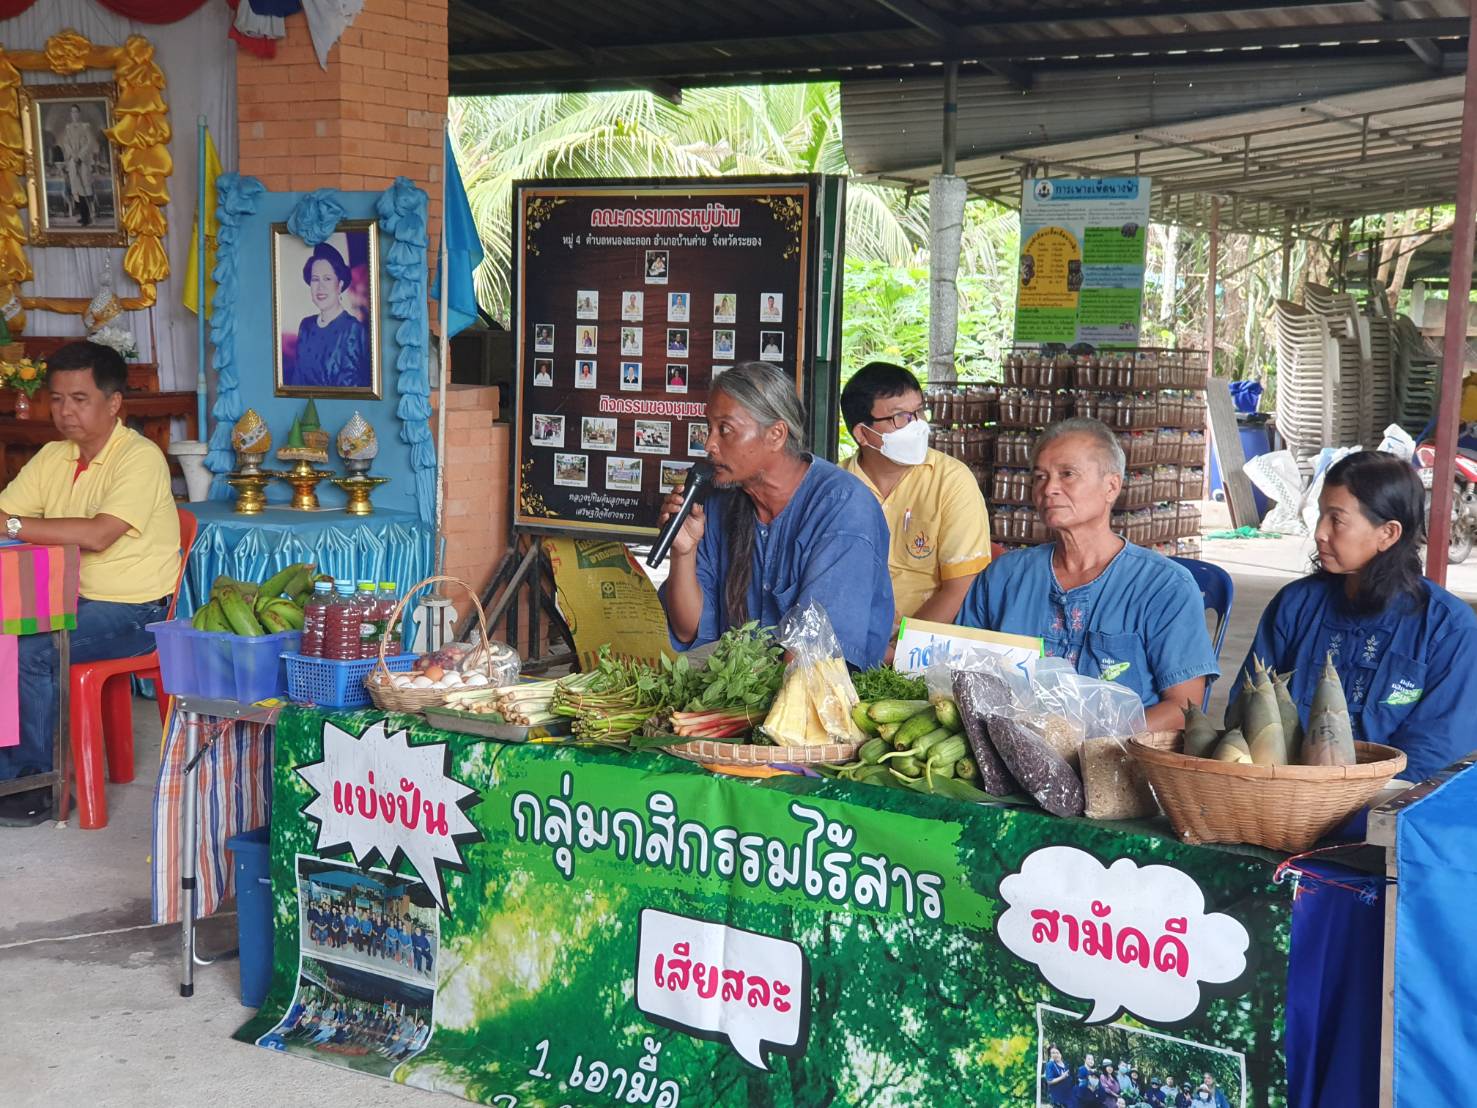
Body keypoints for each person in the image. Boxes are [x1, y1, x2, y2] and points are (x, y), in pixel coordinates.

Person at [0, 342, 181, 824]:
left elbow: (98, 534)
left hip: (136, 609)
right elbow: (3, 510)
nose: (65, 411)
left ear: (114, 402)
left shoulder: (140, 458)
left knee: (31, 645)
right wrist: (12, 522)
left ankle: (36, 787)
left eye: (80, 399)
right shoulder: (54, 456)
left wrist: (17, 528)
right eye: (57, 399)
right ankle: (9, 771)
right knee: (6, 633)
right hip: (68, 597)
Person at [955, 418, 1217, 731]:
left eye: (1067, 474)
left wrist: (1090, 742)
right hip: (1008, 755)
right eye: (1040, 476)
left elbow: (1184, 708)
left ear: (1111, 486)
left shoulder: (1164, 586)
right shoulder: (1004, 576)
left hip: (1117, 763)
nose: (1049, 488)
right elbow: (959, 671)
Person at [1235, 450, 1477, 788]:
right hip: (1281, 798)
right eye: (1321, 514)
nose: (1319, 532)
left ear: (1388, 534)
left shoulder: (1447, 628)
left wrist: (1347, 807)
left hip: (1384, 811)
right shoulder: (1294, 605)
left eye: (1337, 519)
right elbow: (1247, 707)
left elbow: (1434, 753)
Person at [658, 361, 893, 669]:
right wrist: (683, 552)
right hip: (739, 687)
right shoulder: (718, 501)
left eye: (725, 430)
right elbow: (688, 628)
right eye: (710, 428)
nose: (709, 444)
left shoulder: (842, 507)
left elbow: (813, 658)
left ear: (776, 434)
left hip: (817, 694)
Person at [841, 361, 991, 629]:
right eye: (901, 417)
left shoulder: (951, 480)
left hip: (926, 646)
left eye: (920, 411)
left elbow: (960, 588)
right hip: (848, 638)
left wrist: (899, 649)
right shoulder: (836, 488)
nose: (918, 425)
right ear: (863, 434)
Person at [290, 241, 369, 390]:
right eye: (315, 279)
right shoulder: (306, 326)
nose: (320, 287)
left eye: (327, 279)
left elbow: (354, 390)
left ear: (339, 285)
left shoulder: (353, 329)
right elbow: (296, 382)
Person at [59, 105, 99, 226]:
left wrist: (80, 156)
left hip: (83, 162)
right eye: (72, 112)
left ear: (79, 114)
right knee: (76, 188)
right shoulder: (68, 128)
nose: (74, 114)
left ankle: (88, 217)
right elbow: (65, 143)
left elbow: (90, 142)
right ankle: (83, 215)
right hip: (73, 161)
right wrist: (73, 155)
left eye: (76, 112)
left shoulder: (85, 127)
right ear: (71, 114)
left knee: (84, 187)